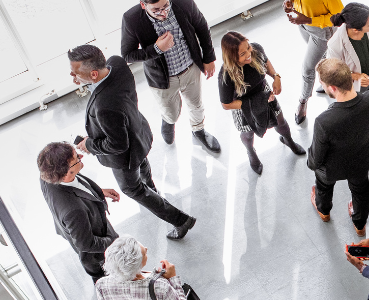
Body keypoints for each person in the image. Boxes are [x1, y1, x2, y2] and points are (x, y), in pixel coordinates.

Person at [69, 45, 196, 240]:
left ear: (94, 74)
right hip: (138, 132)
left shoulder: (104, 106)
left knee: (133, 188)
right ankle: (152, 189)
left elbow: (118, 145)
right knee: (142, 163)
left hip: (124, 156)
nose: (72, 76)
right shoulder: (116, 63)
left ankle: (180, 220)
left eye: (75, 72)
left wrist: (90, 145)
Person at [121, 0, 221, 153]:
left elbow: (201, 25)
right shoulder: (131, 18)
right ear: (143, 5)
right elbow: (128, 55)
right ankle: (168, 121)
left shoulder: (184, 2)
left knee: (196, 105)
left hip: (190, 68)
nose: (164, 13)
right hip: (162, 80)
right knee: (171, 113)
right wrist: (156, 49)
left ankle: (198, 130)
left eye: (166, 6)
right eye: (156, 10)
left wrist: (208, 58)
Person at [307, 59, 369, 236]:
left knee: (323, 186)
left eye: (322, 83)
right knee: (360, 191)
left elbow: (316, 159)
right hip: (360, 159)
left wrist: (311, 163)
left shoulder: (324, 122)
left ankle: (324, 211)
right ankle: (359, 225)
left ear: (333, 88)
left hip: (331, 168)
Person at [218, 31, 306, 175]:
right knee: (248, 134)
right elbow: (226, 104)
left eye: (248, 48)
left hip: (265, 93)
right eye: (242, 54)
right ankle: (251, 152)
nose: (248, 54)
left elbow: (266, 62)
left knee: (281, 122)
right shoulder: (226, 75)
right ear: (232, 57)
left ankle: (288, 141)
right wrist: (255, 103)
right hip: (243, 105)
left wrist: (276, 77)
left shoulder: (256, 50)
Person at [37, 142, 119, 283]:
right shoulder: (73, 211)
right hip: (99, 255)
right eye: (77, 159)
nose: (81, 156)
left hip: (86, 223)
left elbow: (77, 187)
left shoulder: (47, 176)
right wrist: (113, 242)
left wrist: (99, 192)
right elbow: (86, 244)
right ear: (66, 173)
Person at [326, 2, 369, 160]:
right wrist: (355, 76)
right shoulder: (335, 44)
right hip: (356, 86)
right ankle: (364, 144)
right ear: (356, 29)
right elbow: (334, 70)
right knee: (360, 116)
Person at [284, 0, 345, 125]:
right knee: (322, 56)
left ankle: (303, 101)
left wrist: (309, 20)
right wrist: (288, 3)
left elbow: (340, 17)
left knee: (307, 68)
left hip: (321, 31)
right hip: (303, 26)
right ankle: (329, 81)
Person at [95, 236, 187, 299]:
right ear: (137, 266)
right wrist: (172, 278)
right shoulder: (160, 287)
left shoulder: (102, 285)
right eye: (144, 253)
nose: (146, 248)